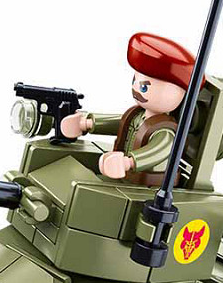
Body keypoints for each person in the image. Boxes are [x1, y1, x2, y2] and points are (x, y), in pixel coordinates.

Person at [60, 33, 200, 186]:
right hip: (127, 175)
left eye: (144, 87)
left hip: (149, 184)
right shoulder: (138, 115)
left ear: (176, 95)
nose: (136, 89)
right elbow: (120, 123)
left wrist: (128, 162)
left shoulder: (165, 132)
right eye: (135, 81)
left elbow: (157, 151)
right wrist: (87, 123)